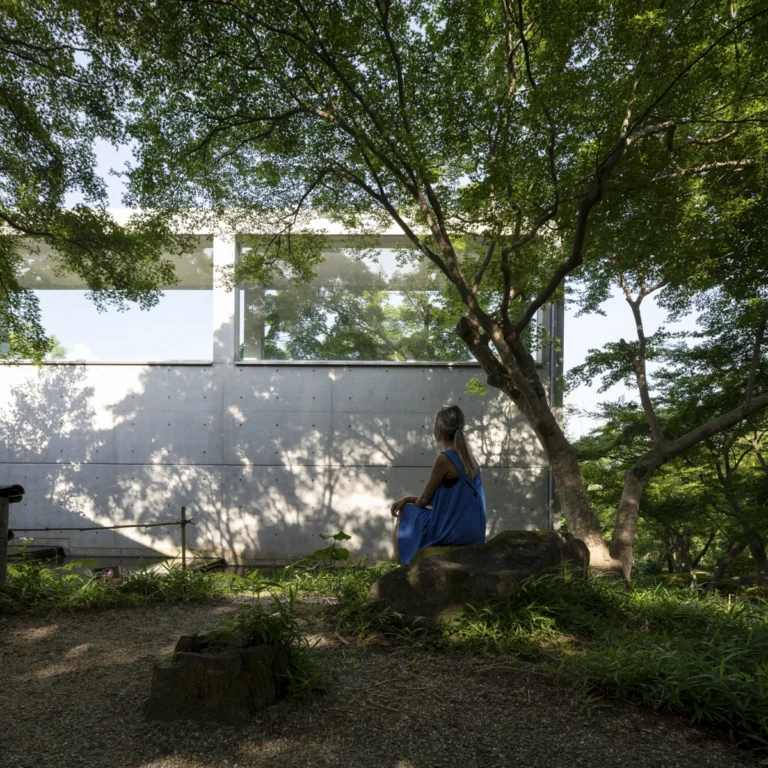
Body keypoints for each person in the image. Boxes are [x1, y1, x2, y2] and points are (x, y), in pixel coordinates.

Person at [390, 404, 486, 565]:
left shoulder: (444, 459)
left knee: (406, 512)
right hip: (474, 533)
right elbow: (445, 501)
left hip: (452, 532)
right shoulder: (470, 459)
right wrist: (408, 498)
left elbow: (422, 501)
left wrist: (406, 501)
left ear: (439, 429)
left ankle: (401, 567)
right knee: (410, 507)